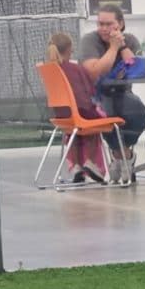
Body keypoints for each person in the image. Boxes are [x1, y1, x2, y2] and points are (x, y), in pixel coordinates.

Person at [78, 4, 145, 182]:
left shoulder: (130, 40)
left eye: (109, 24)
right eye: (100, 24)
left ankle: (119, 156)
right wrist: (112, 48)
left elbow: (136, 69)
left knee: (140, 113)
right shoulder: (89, 40)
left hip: (123, 93)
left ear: (120, 24)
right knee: (108, 113)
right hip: (96, 96)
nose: (103, 28)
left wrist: (122, 46)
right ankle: (125, 156)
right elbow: (94, 73)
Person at [46, 31, 109, 183]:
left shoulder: (50, 69)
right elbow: (88, 93)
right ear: (70, 49)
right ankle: (90, 162)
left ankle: (75, 166)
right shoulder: (76, 69)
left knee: (73, 130)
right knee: (95, 123)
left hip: (62, 117)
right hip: (81, 114)